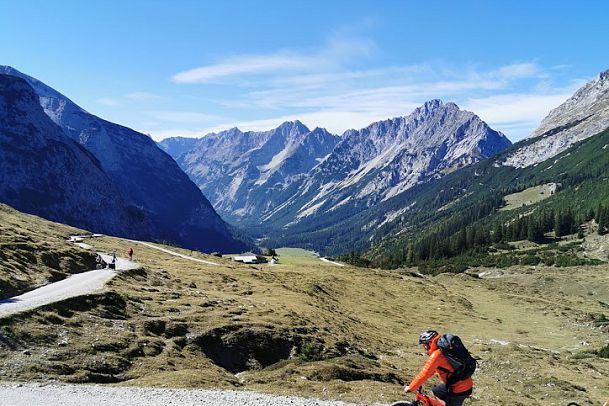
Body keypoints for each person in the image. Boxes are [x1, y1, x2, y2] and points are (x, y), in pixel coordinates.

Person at [404, 330, 473, 406]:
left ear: (430, 343)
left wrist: (411, 387)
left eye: (425, 345)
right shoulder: (443, 349)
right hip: (460, 382)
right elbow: (430, 371)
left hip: (459, 389)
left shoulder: (437, 355)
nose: (424, 348)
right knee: (436, 392)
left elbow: (425, 373)